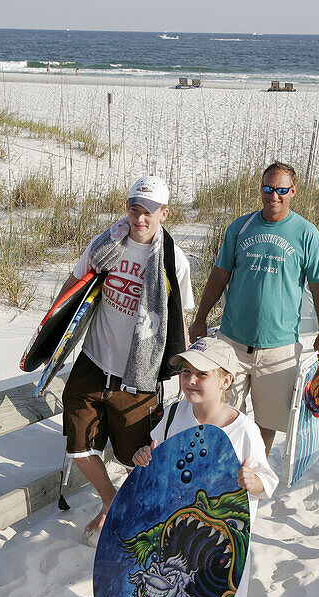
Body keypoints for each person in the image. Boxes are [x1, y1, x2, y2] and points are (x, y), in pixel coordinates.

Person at [132, 337, 277, 597]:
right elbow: (155, 454)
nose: (191, 380)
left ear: (226, 380)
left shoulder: (244, 429)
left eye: (202, 373)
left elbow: (269, 480)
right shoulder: (176, 413)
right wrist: (144, 456)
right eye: (185, 372)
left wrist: (252, 481)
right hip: (174, 536)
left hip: (216, 545)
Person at [60, 175, 194, 545]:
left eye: (150, 212)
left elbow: (181, 319)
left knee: (134, 455)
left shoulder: (174, 261)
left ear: (164, 213)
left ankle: (128, 511)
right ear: (127, 208)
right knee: (79, 443)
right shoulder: (105, 244)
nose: (141, 219)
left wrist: (181, 370)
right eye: (136, 210)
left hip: (140, 373)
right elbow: (71, 289)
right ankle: (110, 501)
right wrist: (53, 338)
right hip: (93, 361)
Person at [189, 161, 319, 455]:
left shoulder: (307, 233)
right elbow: (219, 275)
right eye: (268, 188)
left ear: (293, 191)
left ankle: (252, 474)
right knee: (221, 415)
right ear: (261, 189)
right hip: (232, 343)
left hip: (279, 348)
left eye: (282, 190)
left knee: (265, 423)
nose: (274, 196)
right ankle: (221, 474)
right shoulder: (240, 227)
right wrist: (200, 318)